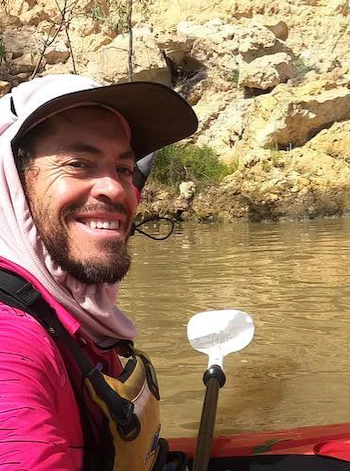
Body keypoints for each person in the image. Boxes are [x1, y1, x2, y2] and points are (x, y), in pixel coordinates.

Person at [0, 74, 197, 470]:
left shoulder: (69, 306)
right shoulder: (11, 343)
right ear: (12, 182)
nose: (115, 189)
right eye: (78, 164)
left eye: (124, 169)